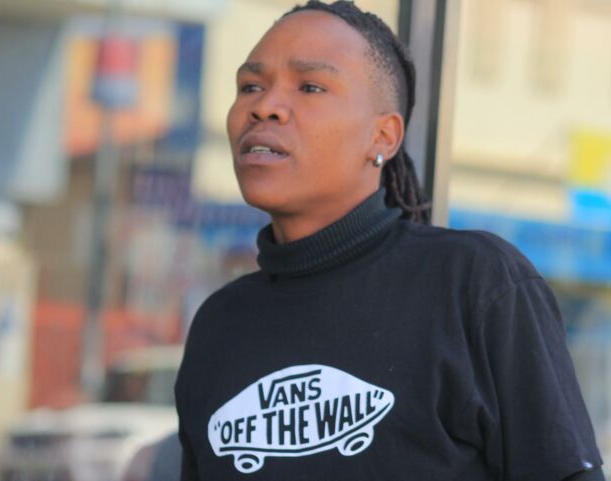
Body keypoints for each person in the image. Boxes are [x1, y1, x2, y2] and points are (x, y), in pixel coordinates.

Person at [175, 1, 605, 480]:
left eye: (310, 87)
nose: (264, 106)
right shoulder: (219, 325)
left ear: (383, 137)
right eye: (250, 87)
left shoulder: (473, 284)